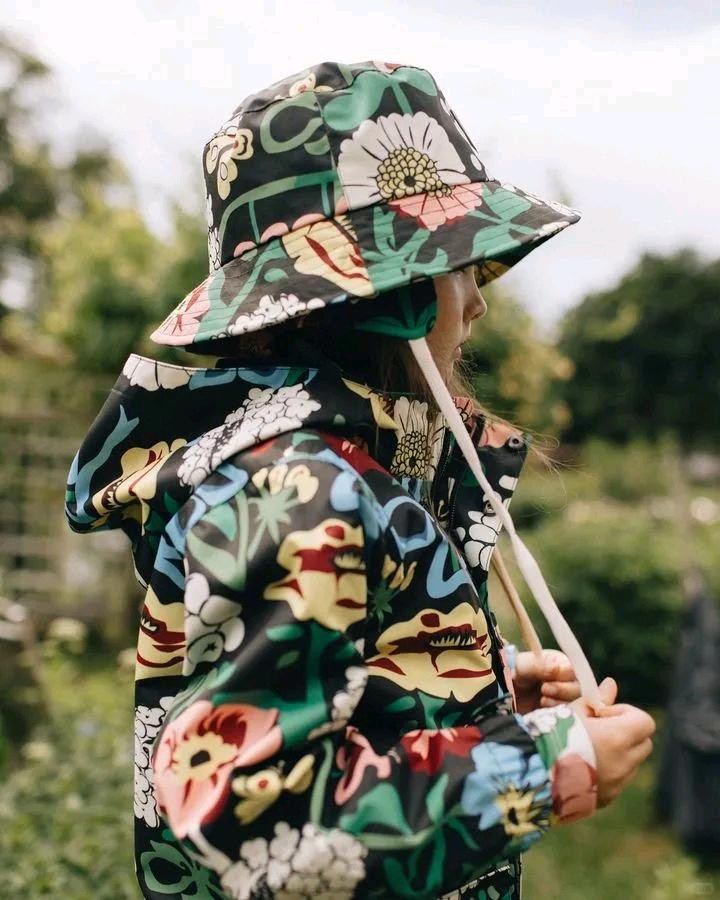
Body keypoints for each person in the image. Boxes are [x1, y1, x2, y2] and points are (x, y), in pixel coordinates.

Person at [66, 61, 656, 900]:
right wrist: (549, 763)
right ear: (392, 298)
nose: (479, 304)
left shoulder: (333, 473)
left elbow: (338, 706)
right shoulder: (302, 490)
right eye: (461, 267)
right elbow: (266, 828)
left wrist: (470, 693)